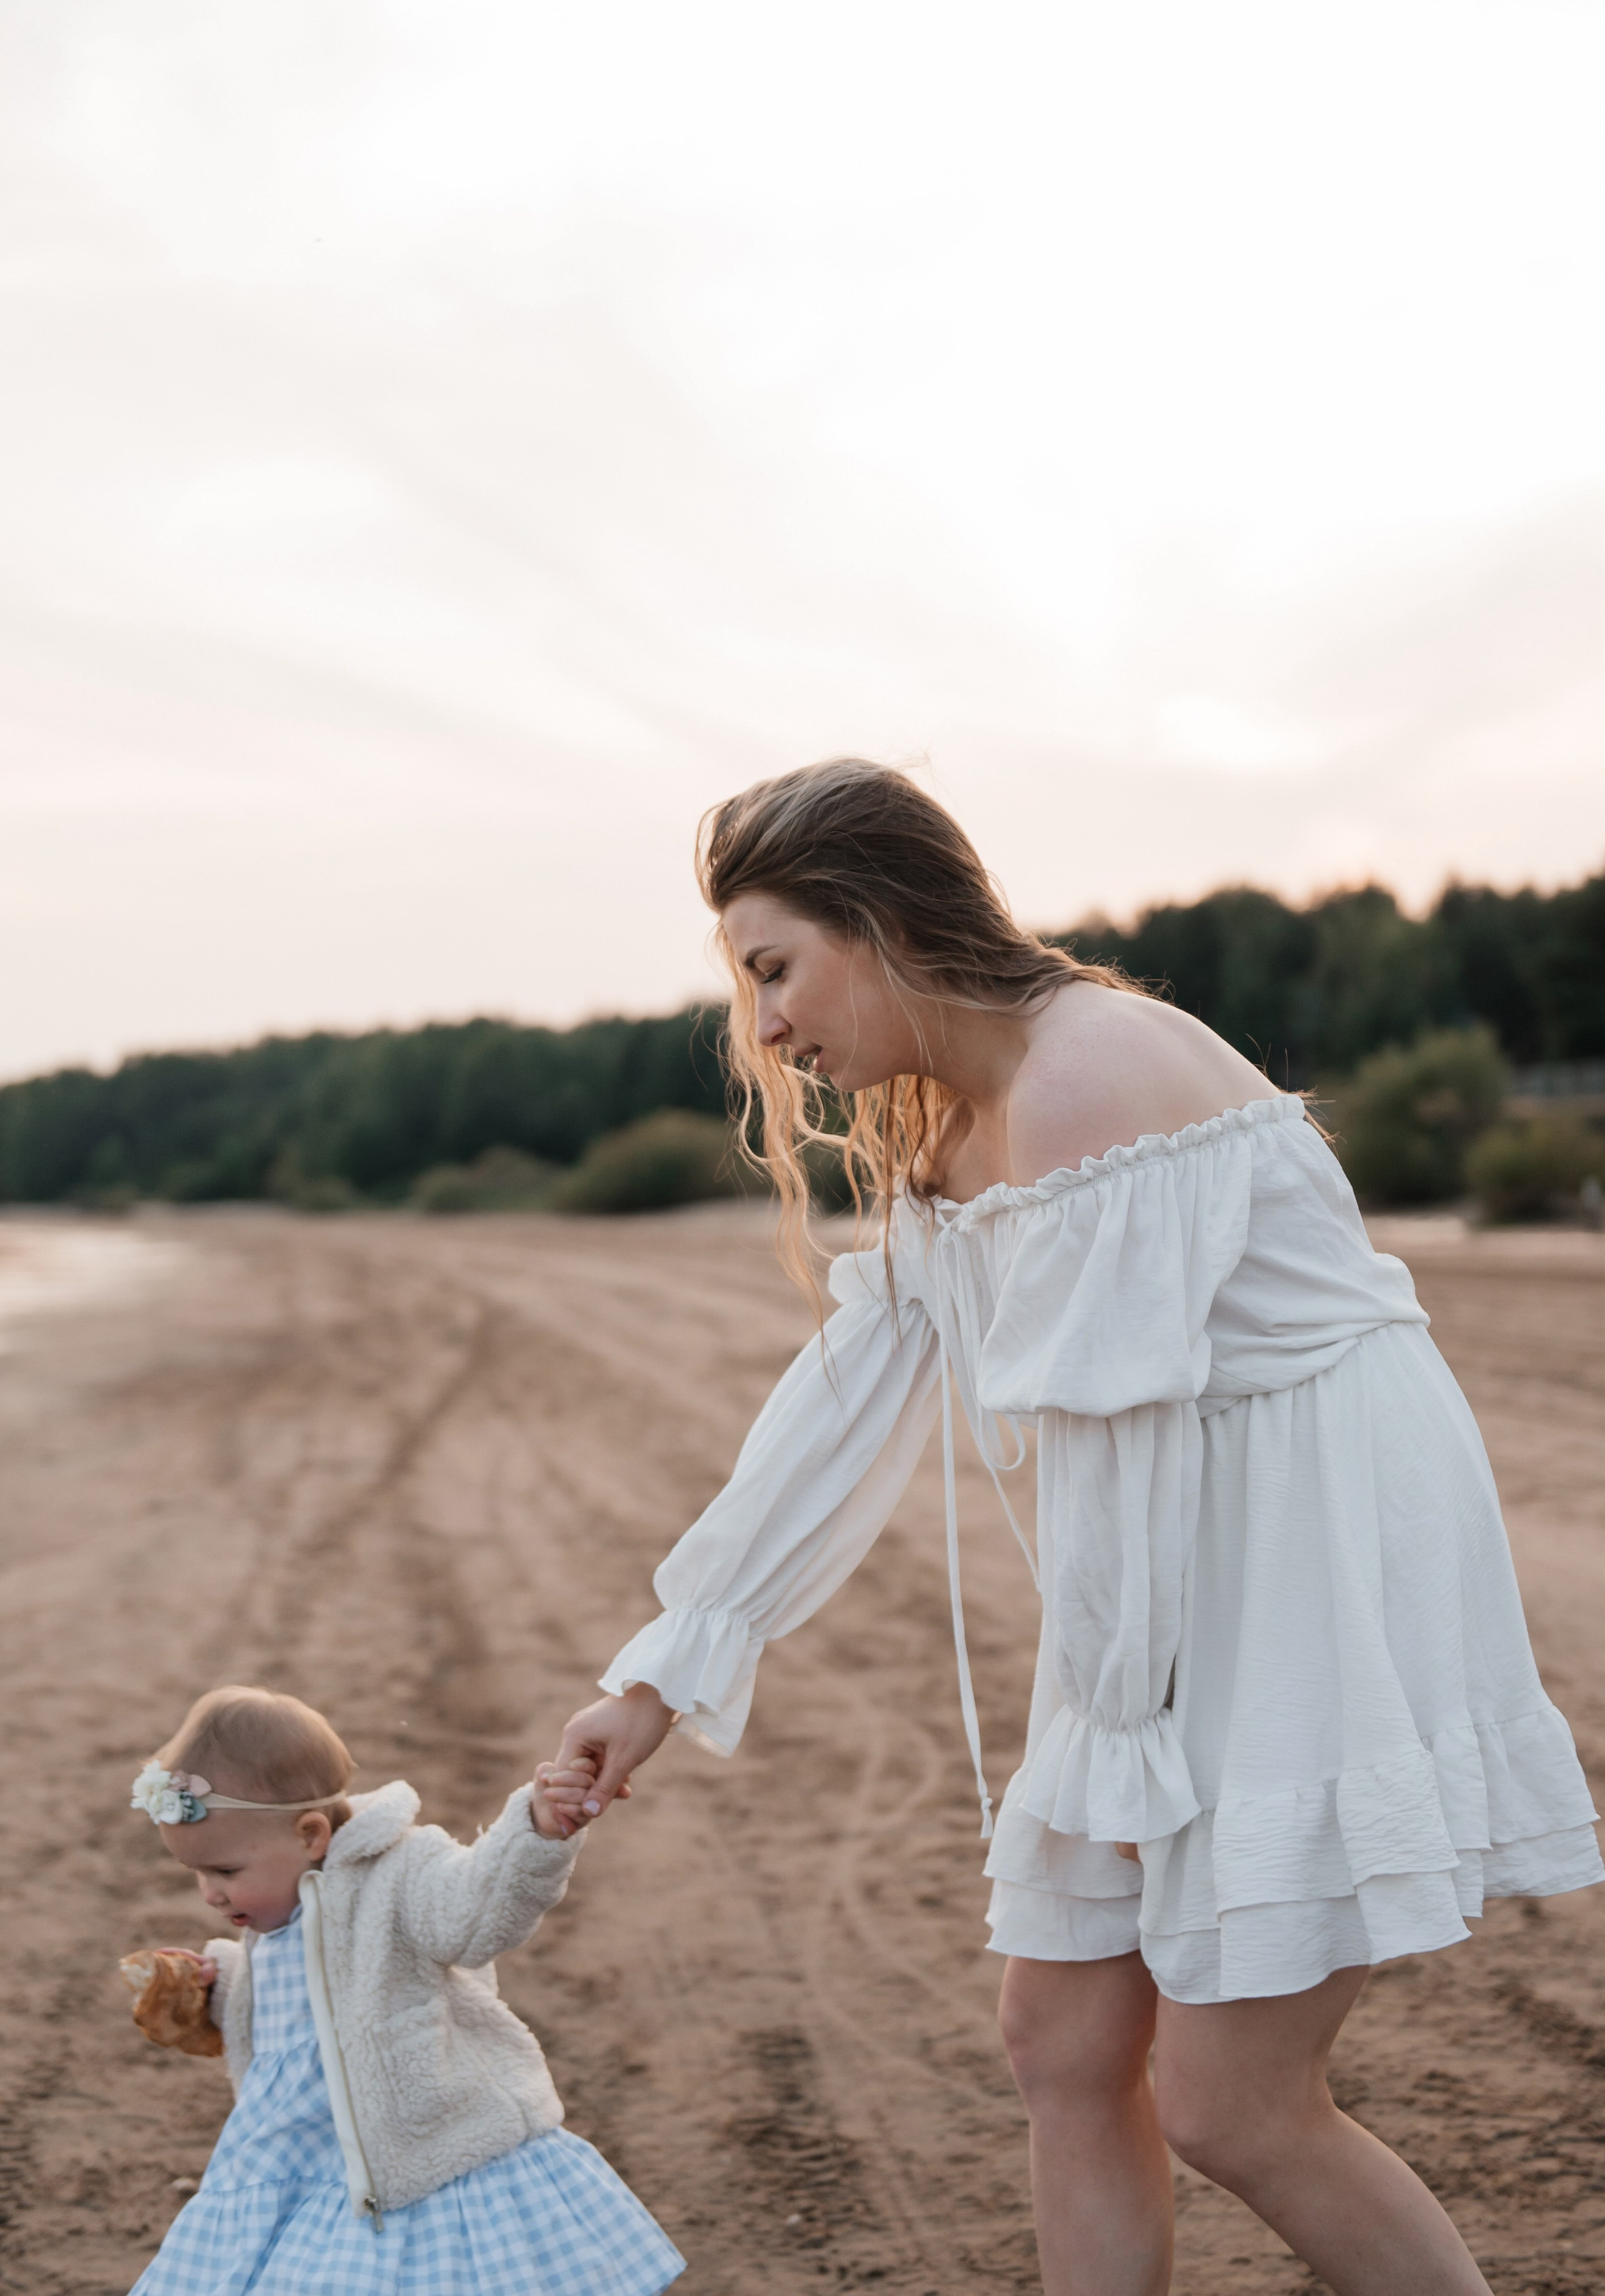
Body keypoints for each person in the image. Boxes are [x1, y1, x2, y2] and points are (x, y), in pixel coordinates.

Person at [555, 759, 1602, 2296]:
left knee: (1231, 2101)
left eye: (774, 968)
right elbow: (844, 1398)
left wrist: (1120, 1736)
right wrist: (656, 1674)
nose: (764, 1027)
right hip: (1177, 1566)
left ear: (879, 921)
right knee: (1060, 2042)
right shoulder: (964, 1122)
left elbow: (1120, 1468)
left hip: (1293, 1552)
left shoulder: (1081, 1083)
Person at [126, 1684, 682, 2296]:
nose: (211, 1893)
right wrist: (219, 1989)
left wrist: (537, 1829)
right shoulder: (275, 1924)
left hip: (420, 2172)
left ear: (311, 1835)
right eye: (198, 1874)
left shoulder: (398, 1875)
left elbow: (478, 1909)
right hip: (302, 2181)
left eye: (225, 1871)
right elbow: (302, 2020)